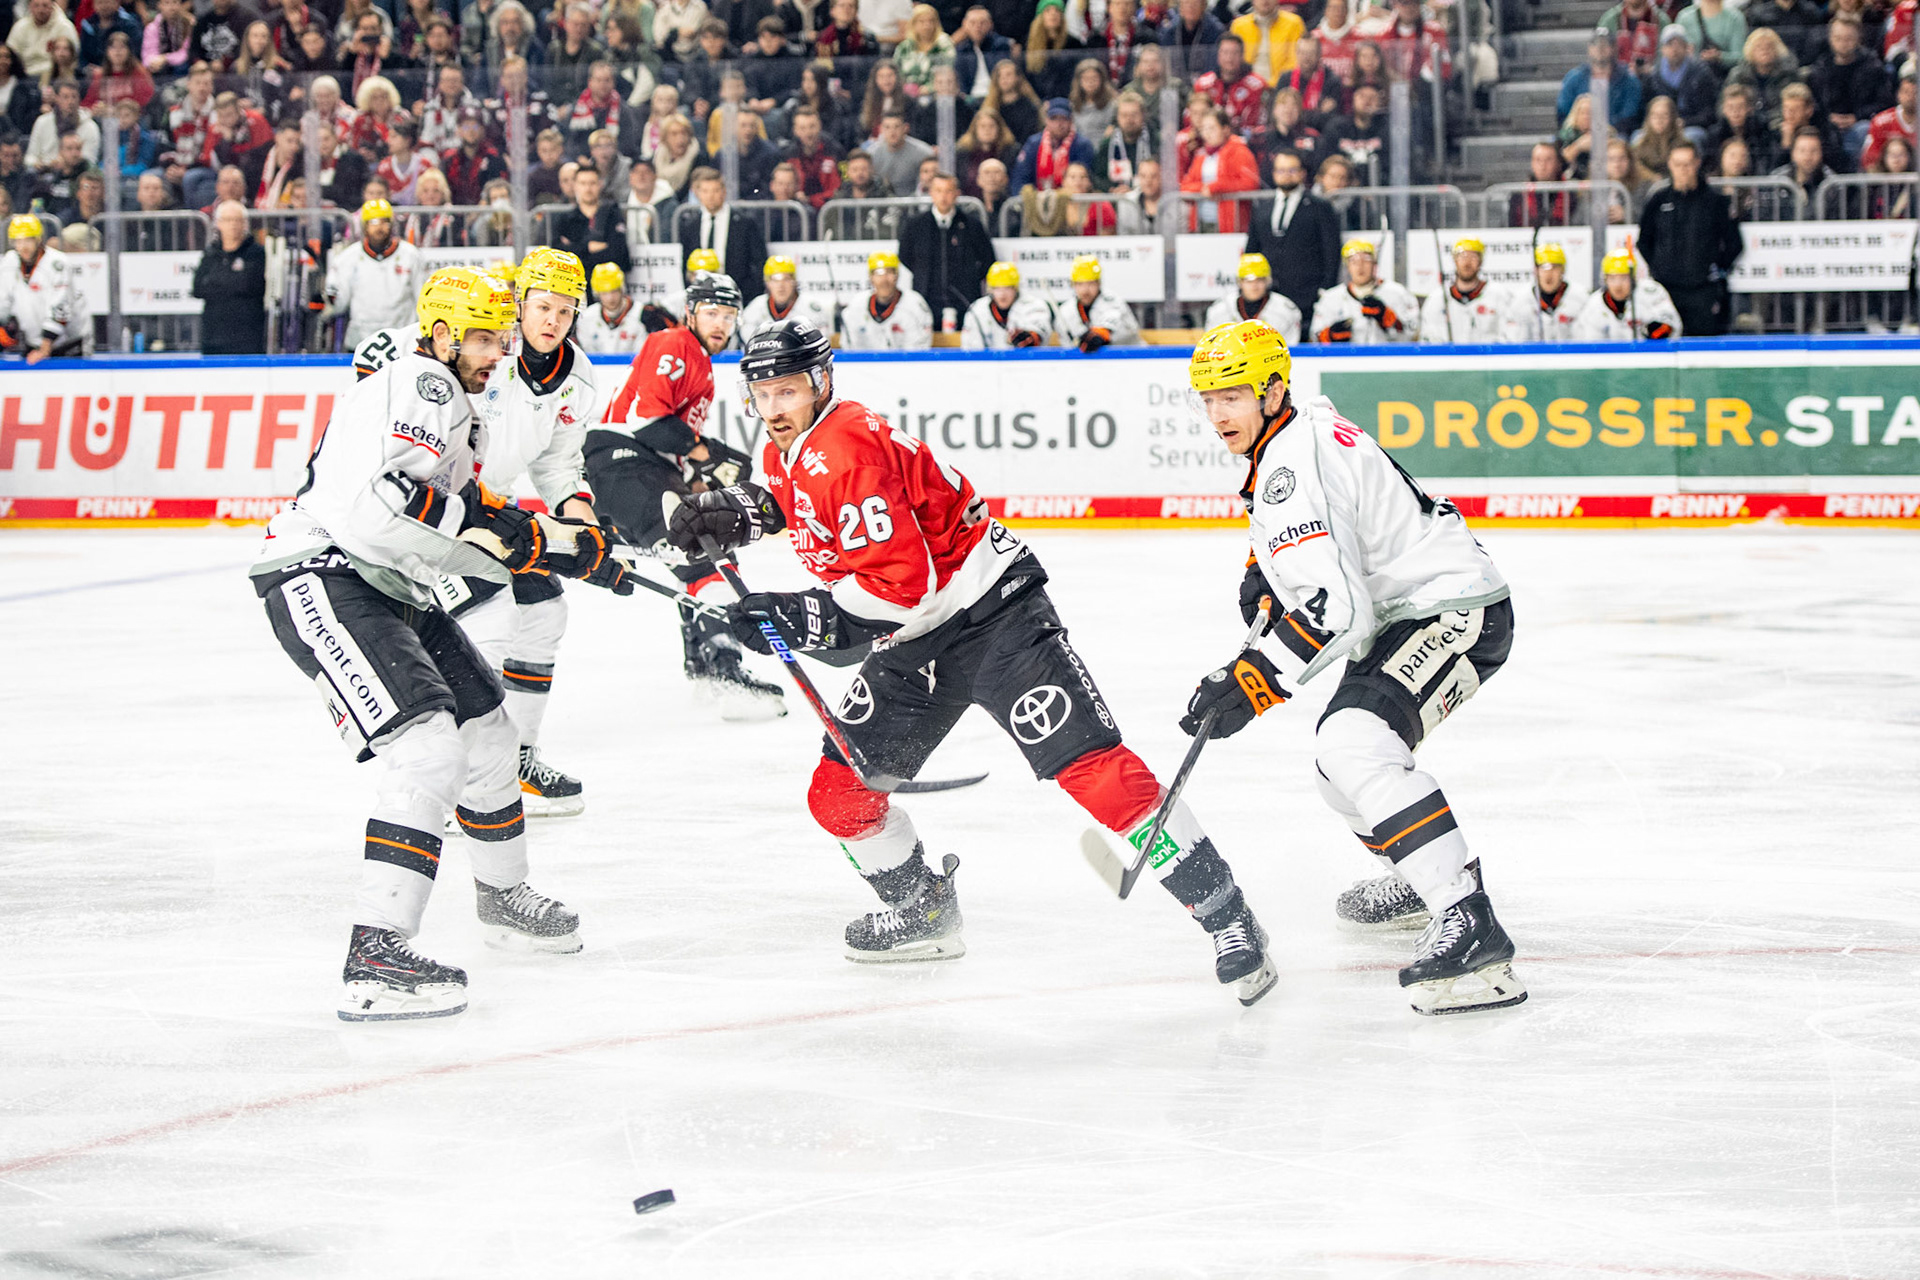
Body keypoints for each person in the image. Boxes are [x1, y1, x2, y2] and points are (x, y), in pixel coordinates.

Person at [663, 320, 1280, 1003]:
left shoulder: (847, 447)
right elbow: (806, 503)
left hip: (993, 619)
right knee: (839, 796)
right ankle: (923, 909)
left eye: (788, 390)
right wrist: (748, 510)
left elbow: (903, 585)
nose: (774, 407)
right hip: (911, 637)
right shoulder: (797, 444)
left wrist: (799, 614)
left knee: (1095, 774)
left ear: (823, 382)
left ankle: (1226, 914)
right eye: (761, 393)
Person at [251, 267, 590, 1022]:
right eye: (481, 337)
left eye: (499, 338)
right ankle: (374, 954)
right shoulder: (423, 381)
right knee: (429, 750)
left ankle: (502, 897)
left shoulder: (461, 409)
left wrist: (543, 545)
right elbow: (387, 509)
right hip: (325, 575)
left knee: (491, 735)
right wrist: (520, 539)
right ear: (439, 333)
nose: (495, 352)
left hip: (389, 583)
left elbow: (453, 520)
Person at [1179, 319, 1524, 1016]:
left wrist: (1248, 680)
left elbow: (1338, 611)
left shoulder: (1288, 461)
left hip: (1450, 611)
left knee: (1352, 745)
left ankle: (1468, 919)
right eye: (1207, 399)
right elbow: (1332, 528)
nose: (1218, 415)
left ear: (1273, 389)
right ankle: (1422, 875)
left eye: (1233, 397)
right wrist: (1264, 568)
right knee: (1338, 770)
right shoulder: (1296, 431)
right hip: (1420, 609)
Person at [587, 273, 786, 718]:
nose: (721, 323)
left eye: (729, 315)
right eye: (712, 313)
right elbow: (648, 420)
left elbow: (668, 442)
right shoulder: (675, 342)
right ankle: (723, 669)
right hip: (621, 460)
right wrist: (706, 452)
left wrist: (700, 475)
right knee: (700, 549)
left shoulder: (701, 364)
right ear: (691, 313)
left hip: (644, 467)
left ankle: (703, 664)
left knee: (700, 547)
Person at [1638, 138, 1740, 335]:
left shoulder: (1715, 201)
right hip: (1665, 292)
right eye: (1677, 164)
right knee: (1662, 344)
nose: (1683, 169)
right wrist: (1659, 268)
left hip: (1703, 291)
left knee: (1704, 348)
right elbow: (1644, 241)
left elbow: (1734, 243)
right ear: (1670, 165)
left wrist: (1714, 269)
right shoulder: (1658, 200)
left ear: (1697, 163)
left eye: (1687, 164)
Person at [1244, 147, 1341, 327]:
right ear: (1273, 173)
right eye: (1281, 170)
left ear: (1302, 173)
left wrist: (1326, 289)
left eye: (1292, 170)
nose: (1286, 175)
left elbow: (1332, 251)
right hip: (1270, 298)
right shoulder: (1262, 207)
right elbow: (1252, 250)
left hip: (1308, 295)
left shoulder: (1319, 206)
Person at [894, 170, 995, 321]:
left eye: (948, 191)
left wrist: (970, 278)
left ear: (957, 194)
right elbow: (905, 255)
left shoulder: (971, 225)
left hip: (964, 300)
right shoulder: (916, 224)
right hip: (926, 299)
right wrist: (923, 272)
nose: (943, 196)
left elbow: (987, 259)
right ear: (931, 193)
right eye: (939, 191)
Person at [0, 213, 88, 361]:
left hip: (67, 343)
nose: (23, 246)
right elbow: (3, 301)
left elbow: (61, 308)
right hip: (33, 342)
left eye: (28, 240)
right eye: (18, 241)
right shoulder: (10, 262)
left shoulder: (58, 263)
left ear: (38, 239)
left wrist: (45, 348)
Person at [675, 166, 769, 301]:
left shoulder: (744, 222)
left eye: (715, 190)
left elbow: (759, 261)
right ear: (697, 193)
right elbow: (686, 264)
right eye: (705, 191)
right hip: (703, 296)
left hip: (738, 294)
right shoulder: (690, 225)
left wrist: (749, 294)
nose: (710, 196)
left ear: (724, 192)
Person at [191, 200, 268, 354]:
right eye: (227, 220)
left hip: (246, 336)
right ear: (218, 224)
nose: (233, 225)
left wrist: (216, 282)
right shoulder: (211, 253)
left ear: (245, 224)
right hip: (213, 335)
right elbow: (198, 288)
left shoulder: (255, 253)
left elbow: (249, 285)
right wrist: (231, 280)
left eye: (237, 220)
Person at [1309, 239, 1418, 344]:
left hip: (1387, 360)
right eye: (1353, 260)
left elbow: (1414, 335)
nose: (1360, 266)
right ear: (1347, 266)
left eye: (1366, 259)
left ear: (1374, 264)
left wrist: (1388, 318)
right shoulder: (1331, 298)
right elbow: (1314, 338)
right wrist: (1330, 336)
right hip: (1346, 361)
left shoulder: (1398, 293)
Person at [1419, 237, 1519, 345]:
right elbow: (1427, 338)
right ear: (1455, 260)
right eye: (1462, 256)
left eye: (1473, 257)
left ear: (1481, 261)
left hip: (1489, 360)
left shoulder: (1499, 295)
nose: (1467, 262)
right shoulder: (1437, 299)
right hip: (1449, 360)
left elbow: (1512, 336)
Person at [1572, 248, 1682, 340]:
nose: (1618, 285)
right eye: (1612, 278)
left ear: (1633, 278)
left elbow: (1672, 325)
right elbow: (1586, 342)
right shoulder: (1594, 304)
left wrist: (1660, 330)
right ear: (1605, 279)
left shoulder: (1650, 293)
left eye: (1624, 278)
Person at [840, 249, 935, 349]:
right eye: (878, 273)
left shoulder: (915, 305)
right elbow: (849, 348)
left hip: (905, 364)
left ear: (897, 276)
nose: (884, 279)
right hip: (865, 365)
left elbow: (919, 351)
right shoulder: (857, 305)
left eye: (889, 272)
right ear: (871, 277)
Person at [552, 162, 631, 278]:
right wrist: (587, 247)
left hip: (608, 283)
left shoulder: (612, 214)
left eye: (592, 183)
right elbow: (557, 255)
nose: (588, 188)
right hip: (576, 284)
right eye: (583, 183)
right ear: (575, 186)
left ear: (600, 184)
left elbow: (620, 253)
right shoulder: (566, 219)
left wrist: (576, 251)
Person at [739, 254, 841, 343]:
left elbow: (819, 342)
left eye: (786, 279)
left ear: (794, 281)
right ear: (767, 283)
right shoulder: (754, 309)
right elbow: (749, 342)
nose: (781, 286)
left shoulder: (812, 309)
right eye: (775, 280)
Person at [1206, 251, 1302, 344]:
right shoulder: (1220, 310)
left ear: (1268, 281)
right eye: (1249, 281)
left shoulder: (1285, 310)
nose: (1254, 286)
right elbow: (1212, 345)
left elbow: (1290, 349)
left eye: (1259, 280)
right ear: (1240, 282)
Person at [1051, 254, 1139, 351]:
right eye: (1080, 284)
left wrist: (1102, 333)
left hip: (1127, 360)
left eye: (1090, 283)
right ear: (1073, 285)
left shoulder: (1113, 302)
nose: (1085, 290)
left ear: (1099, 283)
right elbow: (1067, 347)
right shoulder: (1065, 311)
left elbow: (1120, 326)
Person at [961, 259, 1054, 347]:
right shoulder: (977, 310)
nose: (1002, 294)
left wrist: (1027, 338)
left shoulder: (1034, 305)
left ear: (1015, 288)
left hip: (1025, 362)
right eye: (997, 288)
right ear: (990, 289)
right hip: (987, 363)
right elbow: (970, 349)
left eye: (1007, 288)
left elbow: (1037, 337)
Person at [1013, 96, 1095, 192]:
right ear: (1046, 120)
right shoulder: (1033, 143)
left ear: (1071, 120)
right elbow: (1020, 176)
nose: (1059, 124)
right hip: (1037, 200)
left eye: (1063, 118)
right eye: (1054, 119)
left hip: (1071, 200)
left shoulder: (1082, 145)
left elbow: (1083, 180)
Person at [1512, 241, 1589, 342]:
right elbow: (1514, 341)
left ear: (1563, 270)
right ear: (1536, 271)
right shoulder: (1521, 300)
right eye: (1544, 268)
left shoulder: (1581, 298)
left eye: (1555, 268)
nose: (1549, 274)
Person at [576, 260, 648, 353]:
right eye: (604, 293)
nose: (610, 298)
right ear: (597, 293)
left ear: (621, 289)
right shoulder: (586, 318)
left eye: (614, 291)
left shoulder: (642, 314)